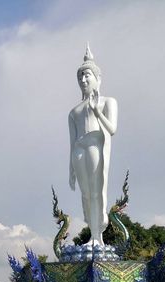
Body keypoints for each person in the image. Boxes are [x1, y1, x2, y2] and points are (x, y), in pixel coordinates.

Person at [68, 43, 118, 247]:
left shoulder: (108, 102)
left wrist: (97, 112)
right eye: (80, 76)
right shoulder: (74, 112)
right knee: (86, 194)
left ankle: (98, 236)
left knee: (97, 191)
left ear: (98, 79)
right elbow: (71, 142)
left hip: (95, 145)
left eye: (87, 75)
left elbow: (112, 129)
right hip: (79, 150)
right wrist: (70, 169)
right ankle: (92, 234)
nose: (83, 79)